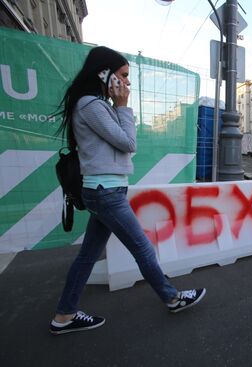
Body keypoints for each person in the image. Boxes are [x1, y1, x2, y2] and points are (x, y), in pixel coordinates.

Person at [50, 46, 205, 335]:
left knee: (87, 257)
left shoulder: (95, 104)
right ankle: (172, 298)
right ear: (104, 74)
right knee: (143, 248)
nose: (127, 83)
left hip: (105, 191)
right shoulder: (91, 106)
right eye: (123, 76)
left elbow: (121, 143)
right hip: (105, 192)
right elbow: (128, 143)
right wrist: (123, 106)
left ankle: (64, 315)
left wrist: (118, 107)